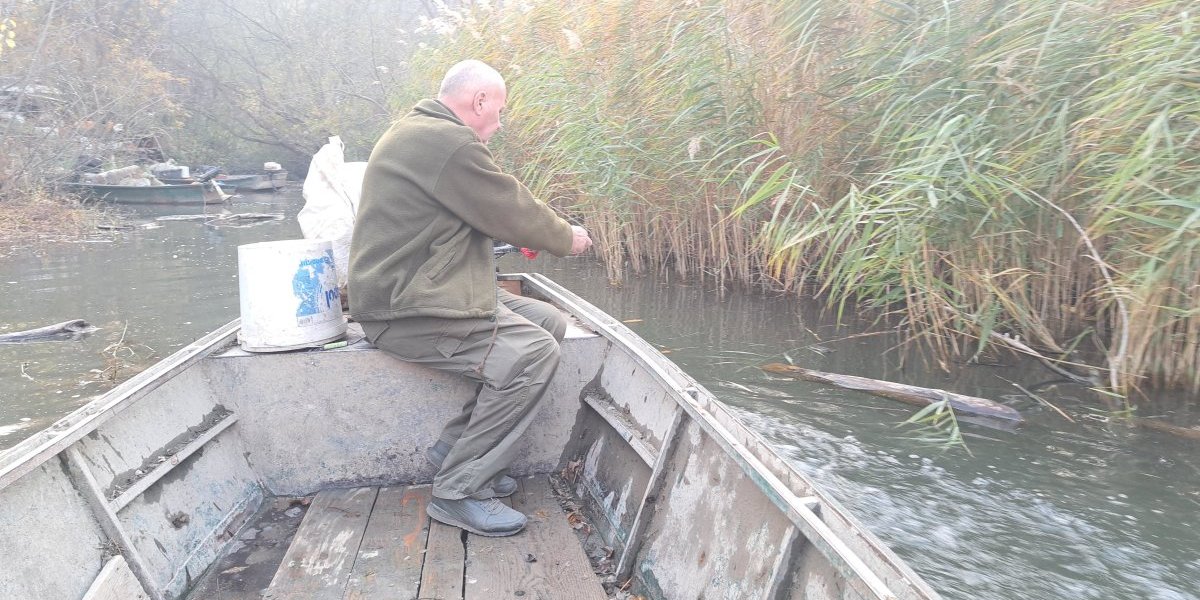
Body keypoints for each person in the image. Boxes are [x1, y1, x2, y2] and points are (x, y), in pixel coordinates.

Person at [348, 59, 592, 537]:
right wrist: (566, 237)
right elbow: (507, 202)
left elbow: (474, 212)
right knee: (532, 353)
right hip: (404, 307)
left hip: (420, 290)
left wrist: (517, 234)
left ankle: (454, 451)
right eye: (498, 112)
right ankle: (459, 490)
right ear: (478, 101)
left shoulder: (420, 132)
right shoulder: (446, 141)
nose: (498, 125)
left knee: (548, 323)